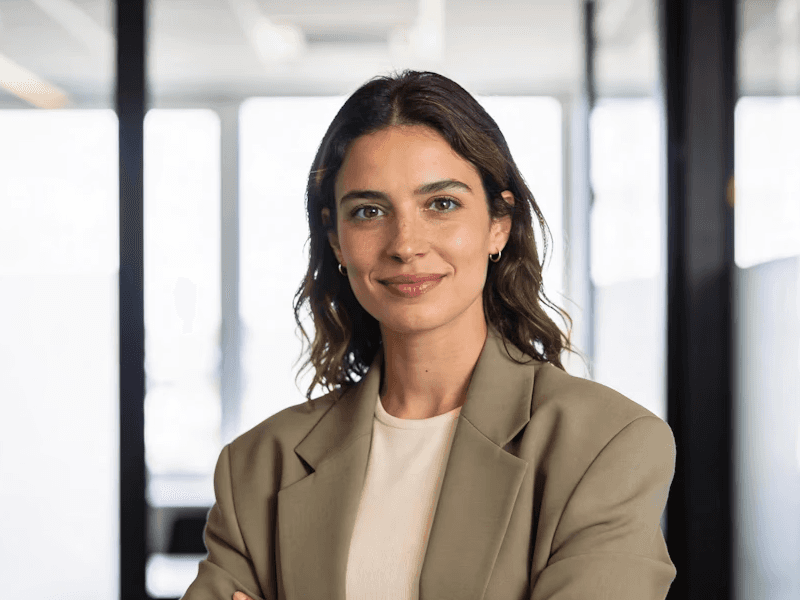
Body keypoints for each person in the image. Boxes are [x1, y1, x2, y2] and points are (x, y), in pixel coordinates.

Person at [181, 70, 676, 600]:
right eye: (369, 212)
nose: (405, 244)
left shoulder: (606, 444)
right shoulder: (257, 468)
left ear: (499, 224)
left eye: (441, 204)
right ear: (337, 240)